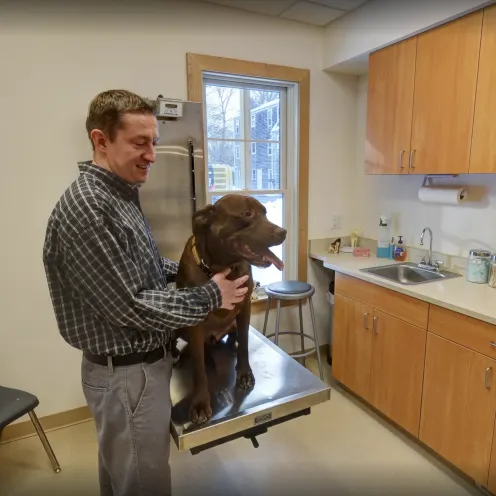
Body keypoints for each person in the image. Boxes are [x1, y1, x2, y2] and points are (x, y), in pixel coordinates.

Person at [42, 89, 249, 496]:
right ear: (101, 141)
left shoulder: (120, 196)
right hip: (127, 375)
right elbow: (128, 305)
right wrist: (210, 296)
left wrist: (196, 272)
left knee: (125, 477)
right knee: (141, 485)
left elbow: (143, 272)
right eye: (139, 143)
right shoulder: (90, 209)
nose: (152, 154)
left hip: (136, 371)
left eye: (154, 142)